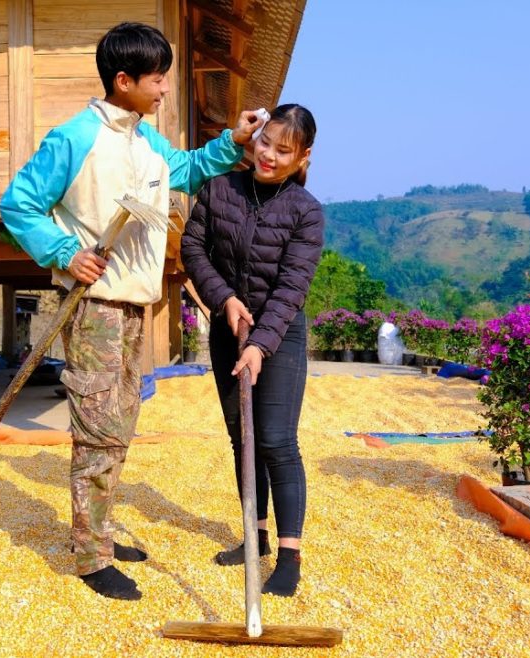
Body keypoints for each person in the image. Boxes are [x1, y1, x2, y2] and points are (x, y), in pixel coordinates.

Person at [0, 22, 262, 601]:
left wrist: (234, 141)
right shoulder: (75, 138)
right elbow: (18, 204)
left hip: (136, 305)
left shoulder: (146, 142)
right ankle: (91, 557)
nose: (165, 89)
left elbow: (184, 170)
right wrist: (65, 252)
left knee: (119, 425)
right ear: (124, 80)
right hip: (93, 306)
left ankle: (100, 531)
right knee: (97, 429)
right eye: (157, 79)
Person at [180, 104, 323, 597]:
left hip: (278, 335)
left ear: (302, 156)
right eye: (265, 143)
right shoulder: (220, 188)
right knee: (243, 439)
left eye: (284, 150)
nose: (269, 156)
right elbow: (192, 248)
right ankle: (254, 536)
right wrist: (224, 299)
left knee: (276, 440)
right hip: (229, 328)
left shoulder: (305, 211)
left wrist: (261, 343)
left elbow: (292, 285)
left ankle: (289, 555)